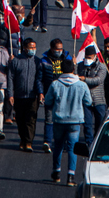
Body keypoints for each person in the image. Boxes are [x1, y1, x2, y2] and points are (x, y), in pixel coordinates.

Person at [45, 57, 92, 186]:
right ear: (73, 69)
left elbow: (48, 101)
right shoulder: (82, 85)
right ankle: (71, 176)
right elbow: (88, 102)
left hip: (59, 120)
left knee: (58, 146)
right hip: (75, 121)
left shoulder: (55, 84)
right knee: (72, 148)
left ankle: (56, 172)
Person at [7, 37, 45, 151]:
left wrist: (40, 93)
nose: (33, 49)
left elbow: (40, 79)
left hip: (32, 96)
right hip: (19, 96)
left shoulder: (38, 61)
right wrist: (10, 94)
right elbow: (10, 78)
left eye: (34, 47)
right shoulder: (16, 61)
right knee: (20, 119)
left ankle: (29, 142)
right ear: (24, 48)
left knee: (31, 120)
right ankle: (23, 139)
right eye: (30, 47)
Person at [77, 45, 109, 146]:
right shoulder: (81, 65)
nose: (87, 60)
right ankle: (89, 143)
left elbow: (98, 80)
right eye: (86, 57)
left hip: (98, 100)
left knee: (100, 123)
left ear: (95, 56)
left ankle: (98, 142)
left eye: (89, 58)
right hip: (86, 100)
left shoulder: (102, 67)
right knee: (87, 124)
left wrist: (84, 79)